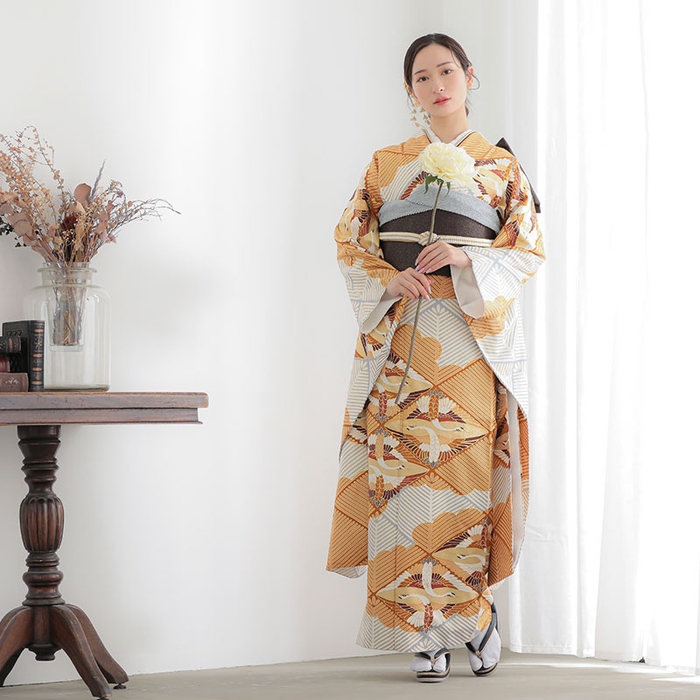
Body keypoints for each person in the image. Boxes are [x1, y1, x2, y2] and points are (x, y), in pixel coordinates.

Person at [327, 32, 544, 683]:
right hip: (402, 338)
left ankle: (474, 618)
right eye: (422, 77)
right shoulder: (385, 164)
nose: (436, 85)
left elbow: (527, 250)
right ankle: (422, 637)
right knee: (400, 480)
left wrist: (466, 257)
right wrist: (387, 277)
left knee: (460, 478)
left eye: (446, 71)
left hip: (465, 344)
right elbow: (350, 240)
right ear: (410, 91)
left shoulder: (500, 168)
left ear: (469, 76)